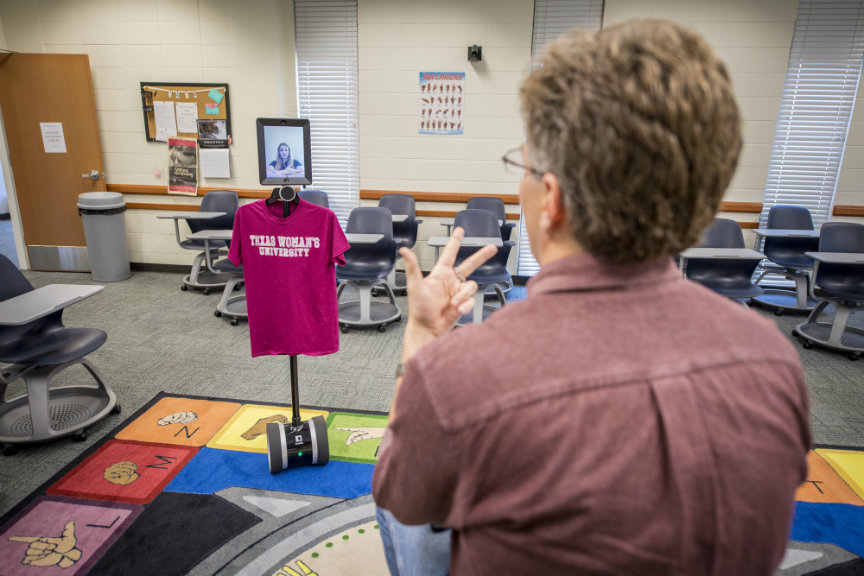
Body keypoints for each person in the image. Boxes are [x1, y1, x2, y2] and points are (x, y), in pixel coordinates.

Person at [372, 19, 811, 576]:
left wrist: (420, 344)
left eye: (523, 166)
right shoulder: (773, 359)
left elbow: (400, 493)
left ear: (550, 199)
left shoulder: (457, 378)